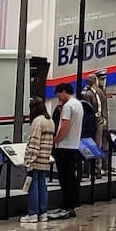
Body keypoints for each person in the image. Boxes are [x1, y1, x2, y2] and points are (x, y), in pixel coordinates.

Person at [47, 82, 82, 220]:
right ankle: (71, 206)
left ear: (63, 91)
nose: (58, 98)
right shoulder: (78, 104)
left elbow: (65, 125)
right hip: (74, 146)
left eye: (59, 95)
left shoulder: (68, 106)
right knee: (71, 178)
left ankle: (65, 207)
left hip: (64, 147)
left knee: (65, 179)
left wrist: (56, 140)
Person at [21, 97, 54, 225]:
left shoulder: (37, 122)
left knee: (32, 186)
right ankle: (43, 212)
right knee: (42, 185)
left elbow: (34, 142)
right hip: (45, 158)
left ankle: (33, 213)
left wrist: (29, 160)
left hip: (35, 159)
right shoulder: (49, 120)